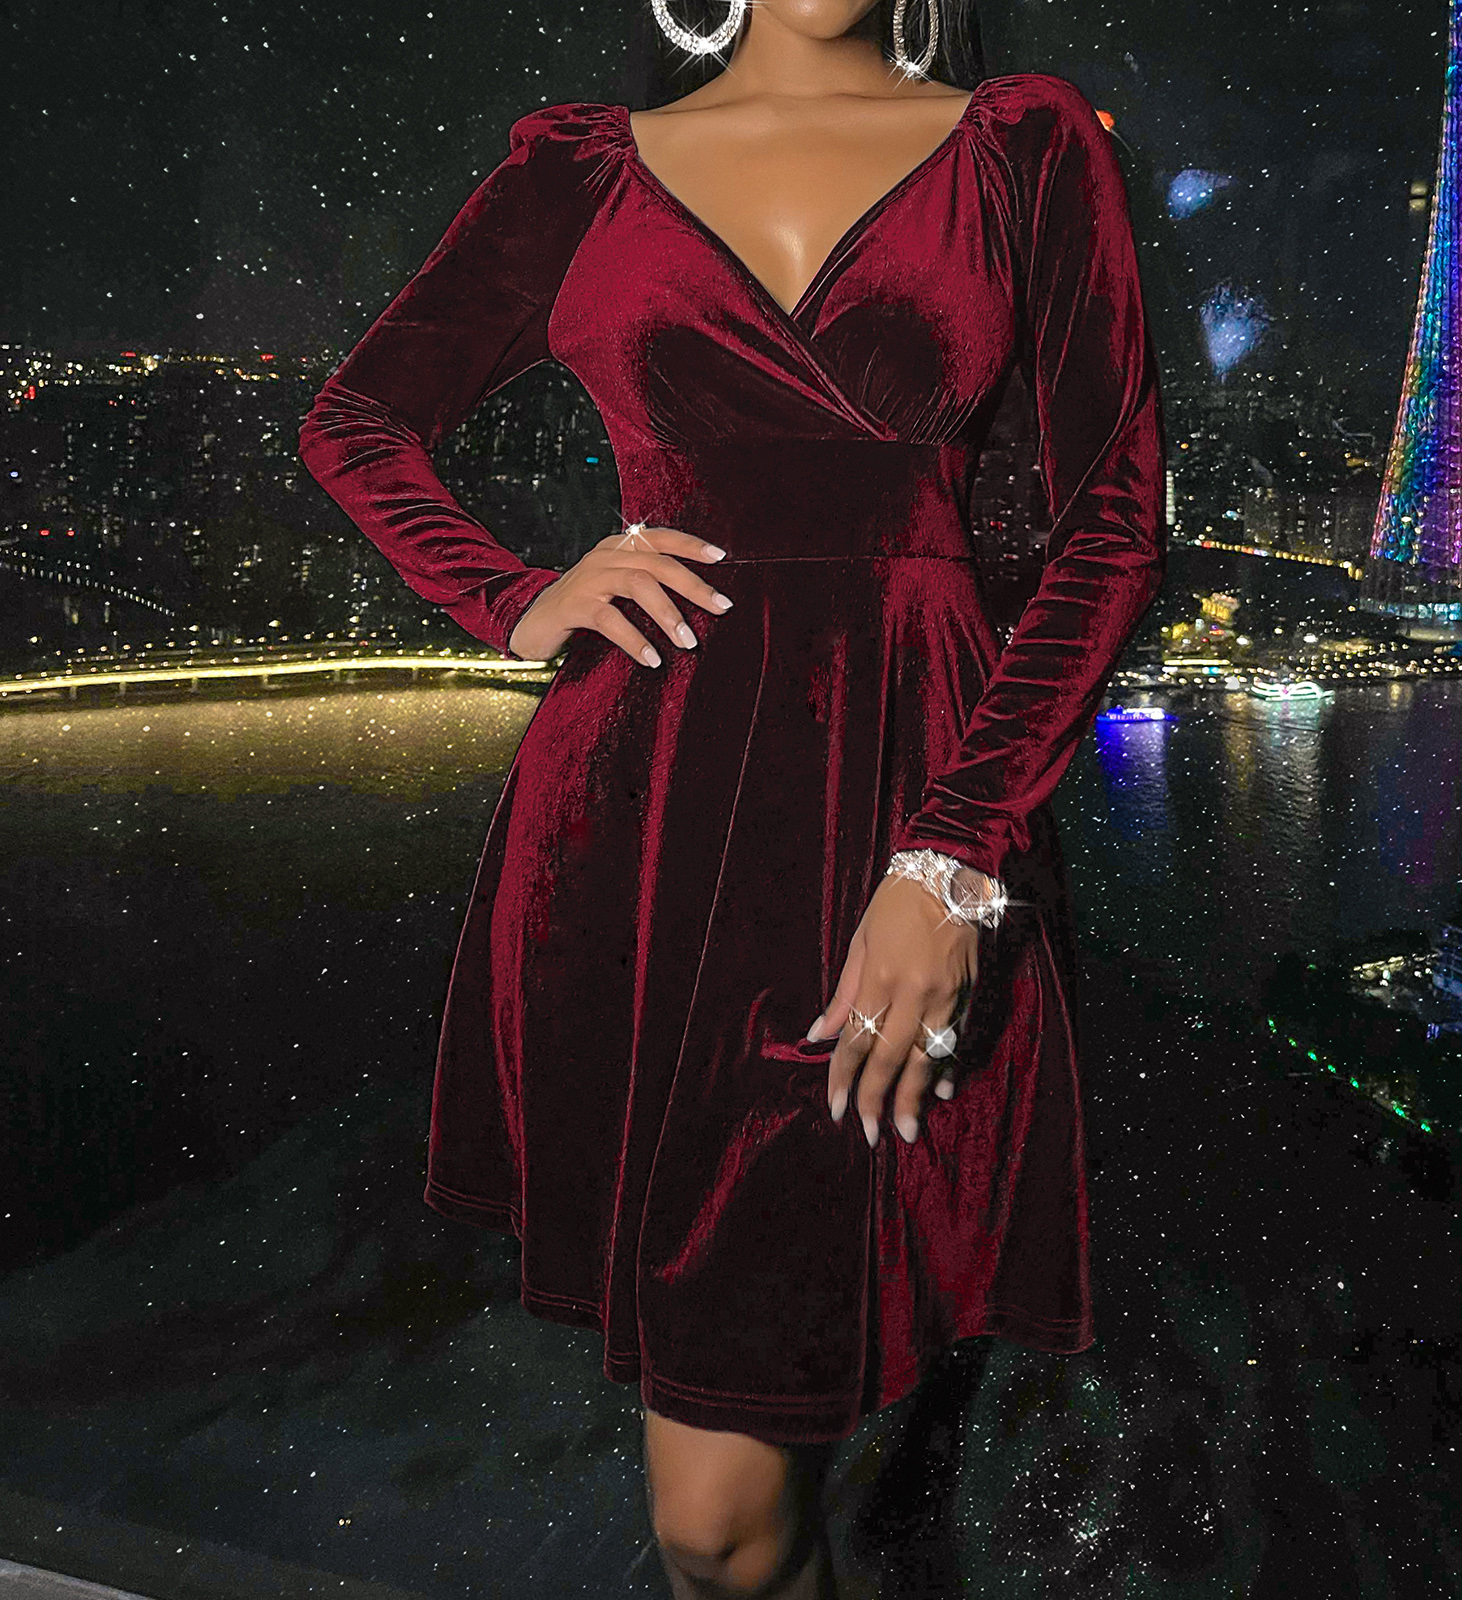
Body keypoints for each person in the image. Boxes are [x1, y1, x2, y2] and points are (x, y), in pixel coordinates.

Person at [298, 0, 1167, 1592]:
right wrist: (513, 596)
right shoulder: (579, 171)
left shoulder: (1023, 148)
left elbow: (1111, 525)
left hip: (908, 808)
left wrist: (954, 856)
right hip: (634, 827)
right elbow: (356, 421)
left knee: (736, 1511)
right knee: (716, 1528)